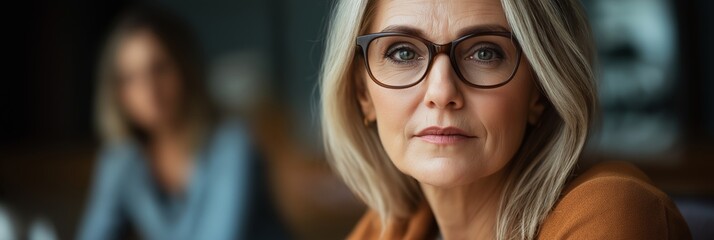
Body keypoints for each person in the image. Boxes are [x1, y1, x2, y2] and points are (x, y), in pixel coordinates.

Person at [319, 0, 692, 239]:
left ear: (541, 89)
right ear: (363, 93)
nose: (441, 91)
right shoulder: (390, 229)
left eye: (484, 52)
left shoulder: (613, 215)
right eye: (402, 53)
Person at [78, 5, 286, 240]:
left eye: (159, 68)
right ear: (117, 92)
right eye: (130, 78)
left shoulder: (232, 145)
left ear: (185, 68)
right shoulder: (122, 160)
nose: (149, 89)